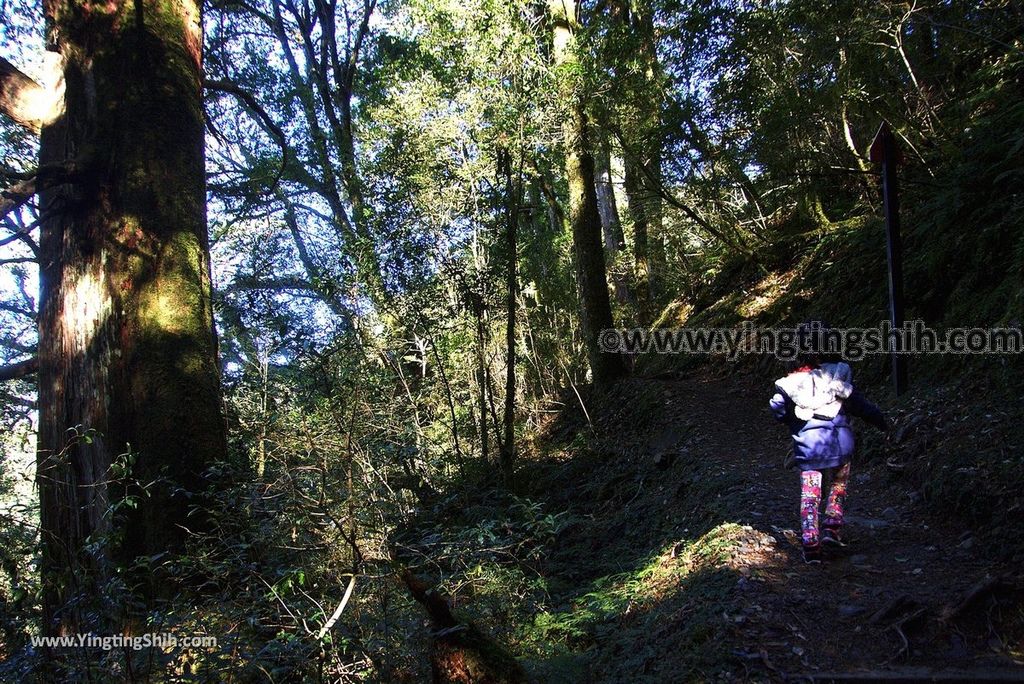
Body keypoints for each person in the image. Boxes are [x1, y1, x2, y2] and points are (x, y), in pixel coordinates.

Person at [769, 322, 889, 564]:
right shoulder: (840, 375)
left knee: (810, 494)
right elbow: (860, 405)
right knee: (838, 487)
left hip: (809, 447)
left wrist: (792, 422)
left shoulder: (790, 383)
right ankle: (831, 530)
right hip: (840, 445)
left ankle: (810, 541)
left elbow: (777, 409)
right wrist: (882, 421)